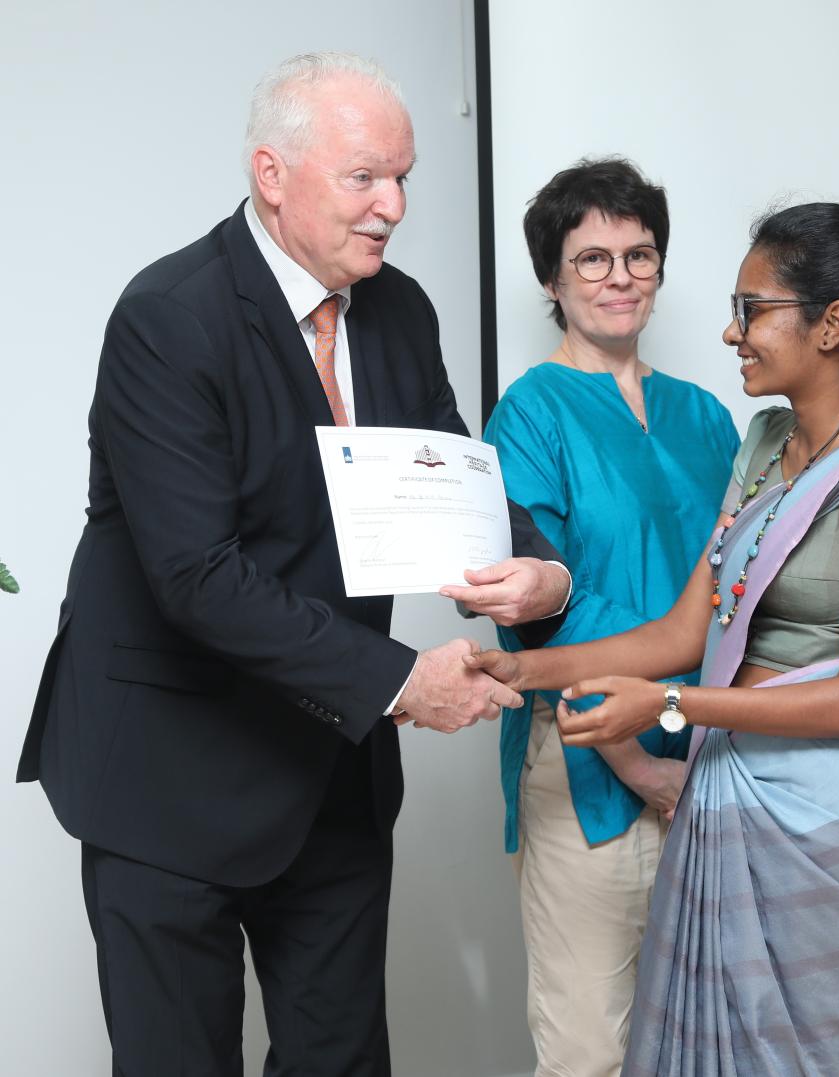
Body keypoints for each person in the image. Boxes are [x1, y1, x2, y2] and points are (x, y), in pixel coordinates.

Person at [15, 53, 572, 1077]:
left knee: (342, 1062)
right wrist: (404, 682)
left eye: (403, 177)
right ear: (273, 173)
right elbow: (197, 576)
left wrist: (540, 573)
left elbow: (450, 472)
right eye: (365, 178)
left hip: (328, 776)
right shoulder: (168, 316)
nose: (393, 205)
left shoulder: (397, 308)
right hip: (166, 774)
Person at [475, 202, 839, 1075]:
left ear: (831, 325)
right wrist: (515, 668)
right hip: (737, 792)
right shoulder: (764, 441)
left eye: (752, 310)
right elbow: (683, 629)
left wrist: (666, 704)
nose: (730, 331)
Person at [461, 157, 738, 1075]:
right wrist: (629, 759)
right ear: (552, 278)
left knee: (707, 1037)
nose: (620, 276)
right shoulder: (529, 414)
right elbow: (530, 615)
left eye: (640, 254)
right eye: (593, 258)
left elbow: (739, 587)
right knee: (591, 1049)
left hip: (711, 756)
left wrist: (693, 758)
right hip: (586, 762)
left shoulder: (706, 416)